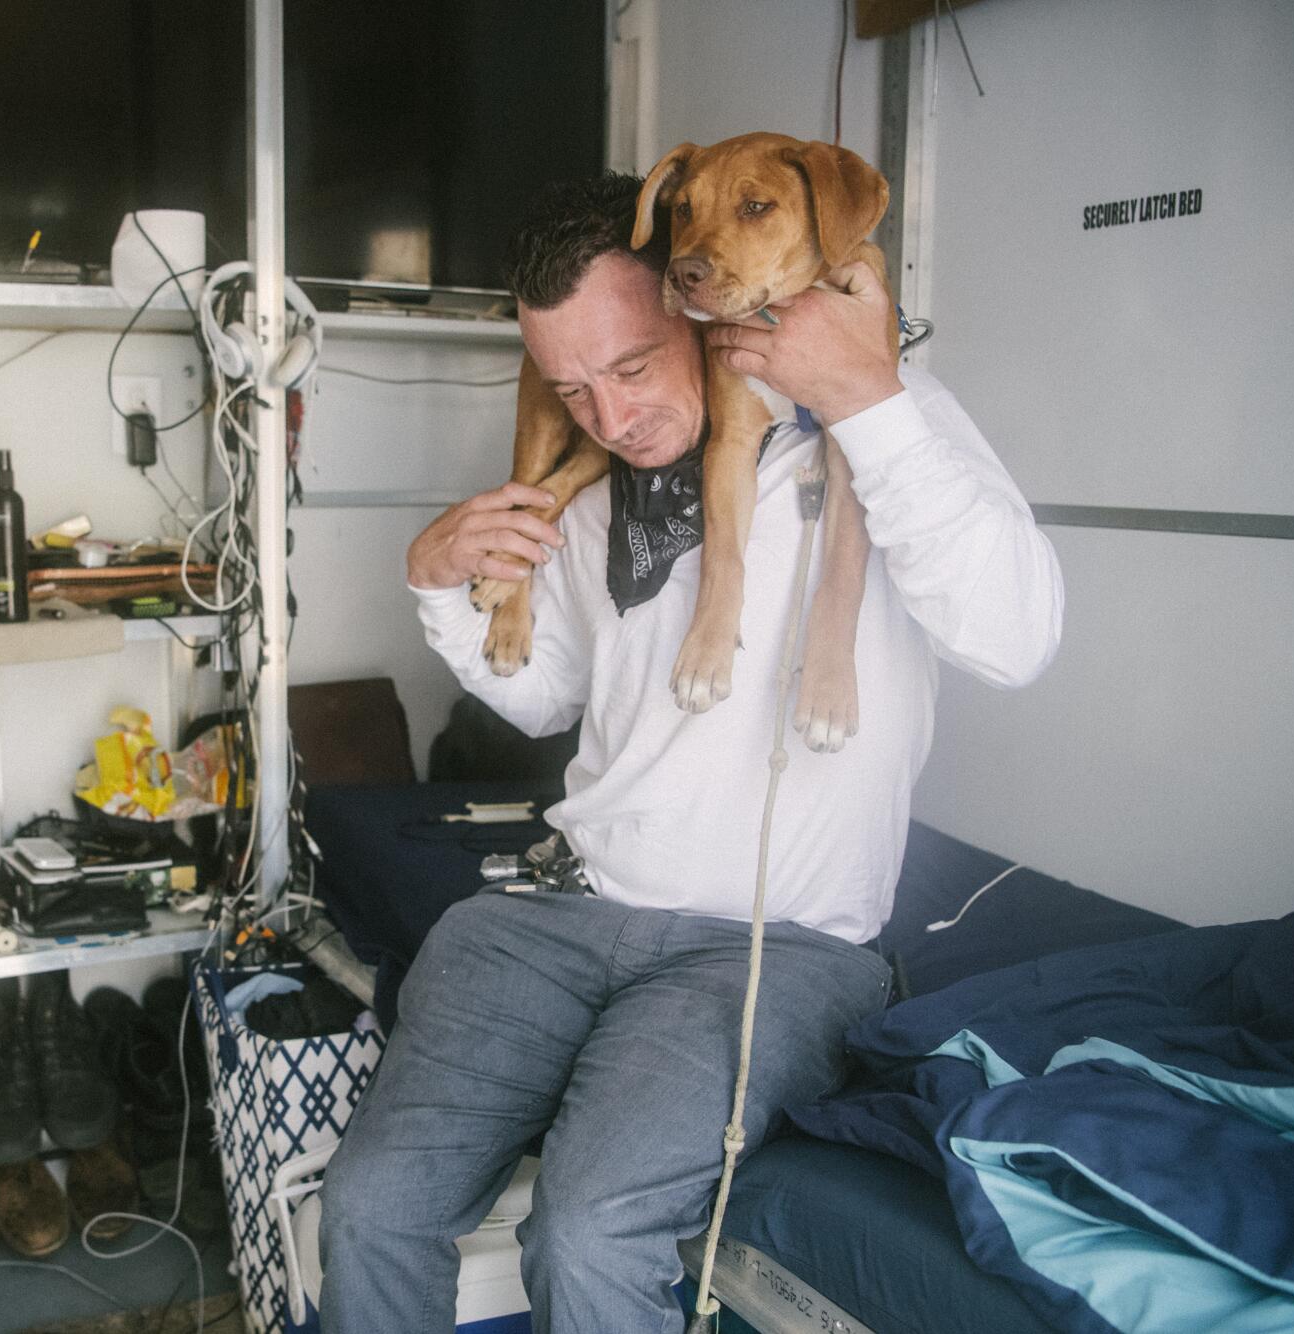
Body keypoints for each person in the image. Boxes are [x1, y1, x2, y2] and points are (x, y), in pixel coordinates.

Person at [315, 172, 1064, 1333]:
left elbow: (1017, 639)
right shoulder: (601, 482)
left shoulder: (885, 418)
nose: (611, 420)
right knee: (365, 1207)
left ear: (705, 302)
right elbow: (547, 696)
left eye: (629, 367)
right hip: (553, 916)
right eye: (571, 386)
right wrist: (439, 587)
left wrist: (865, 399)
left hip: (771, 946)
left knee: (586, 1227)